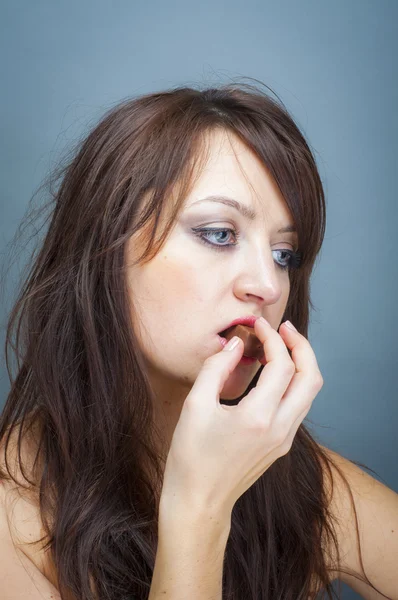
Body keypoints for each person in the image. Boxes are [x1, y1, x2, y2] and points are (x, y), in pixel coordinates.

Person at [0, 81, 396, 600]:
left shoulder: (299, 482)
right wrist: (199, 509)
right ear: (104, 251)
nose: (268, 285)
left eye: (285, 254)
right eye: (218, 233)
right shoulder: (13, 520)